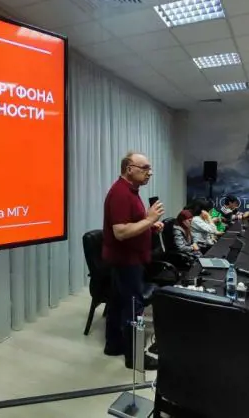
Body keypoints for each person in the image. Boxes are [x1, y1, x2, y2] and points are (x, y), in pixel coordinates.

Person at [102, 152, 164, 371]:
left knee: (118, 304)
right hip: (126, 261)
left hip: (129, 259)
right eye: (145, 168)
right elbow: (120, 232)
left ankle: (113, 345)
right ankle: (134, 357)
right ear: (129, 169)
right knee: (132, 308)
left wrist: (149, 225)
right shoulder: (120, 193)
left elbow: (133, 223)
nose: (150, 172)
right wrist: (150, 219)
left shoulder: (131, 191)